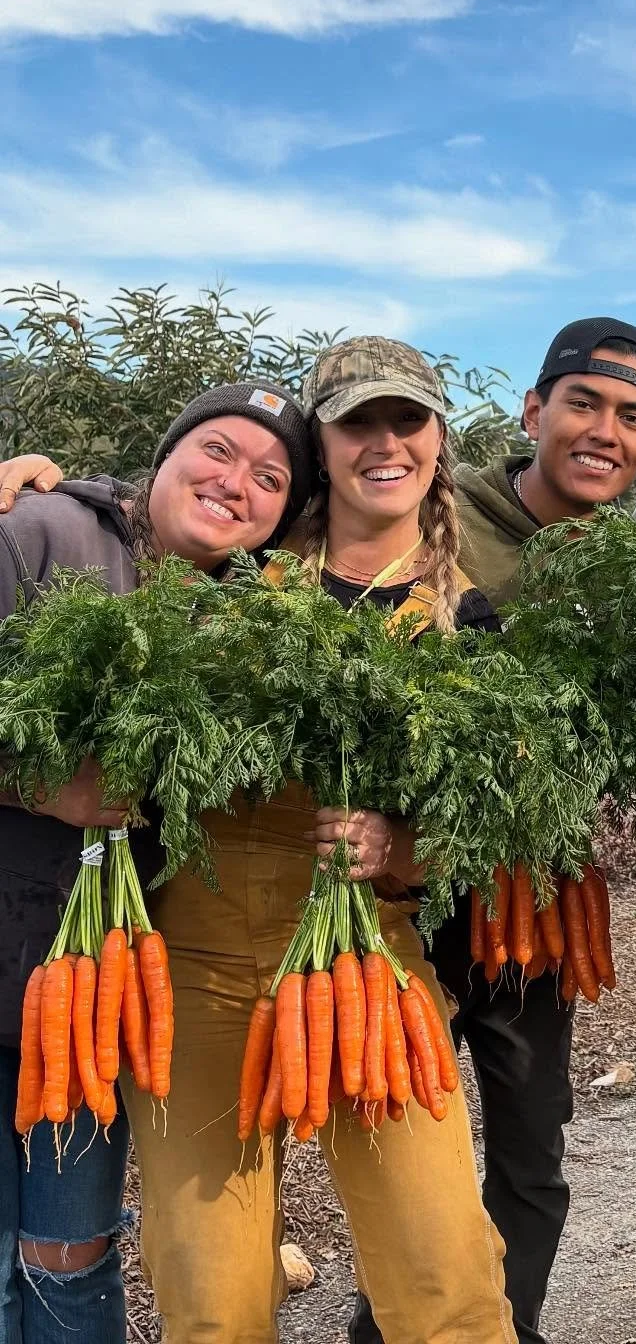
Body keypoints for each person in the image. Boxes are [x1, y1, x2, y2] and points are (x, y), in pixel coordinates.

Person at [0, 324, 636, 1344]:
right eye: (359, 423)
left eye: (408, 419)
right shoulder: (241, 579)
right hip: (195, 970)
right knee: (213, 1305)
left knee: (447, 1284)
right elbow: (143, 526)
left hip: (373, 972)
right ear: (326, 445)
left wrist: (404, 852)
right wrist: (35, 481)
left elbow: (492, 820)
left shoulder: (464, 621)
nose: (385, 442)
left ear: (438, 440)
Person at [348, 317, 636, 1344]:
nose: (603, 432)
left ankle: (508, 1329)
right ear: (535, 413)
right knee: (411, 1162)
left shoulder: (633, 562)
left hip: (540, 911)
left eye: (632, 417)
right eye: (584, 404)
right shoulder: (442, 522)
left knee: (532, 1156)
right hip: (412, 900)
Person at [0, 382, 313, 1343]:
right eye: (217, 450)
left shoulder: (243, 623)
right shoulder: (42, 532)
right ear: (167, 453)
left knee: (70, 1250)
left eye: (270, 478)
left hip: (93, 996)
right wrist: (35, 785)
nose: (236, 483)